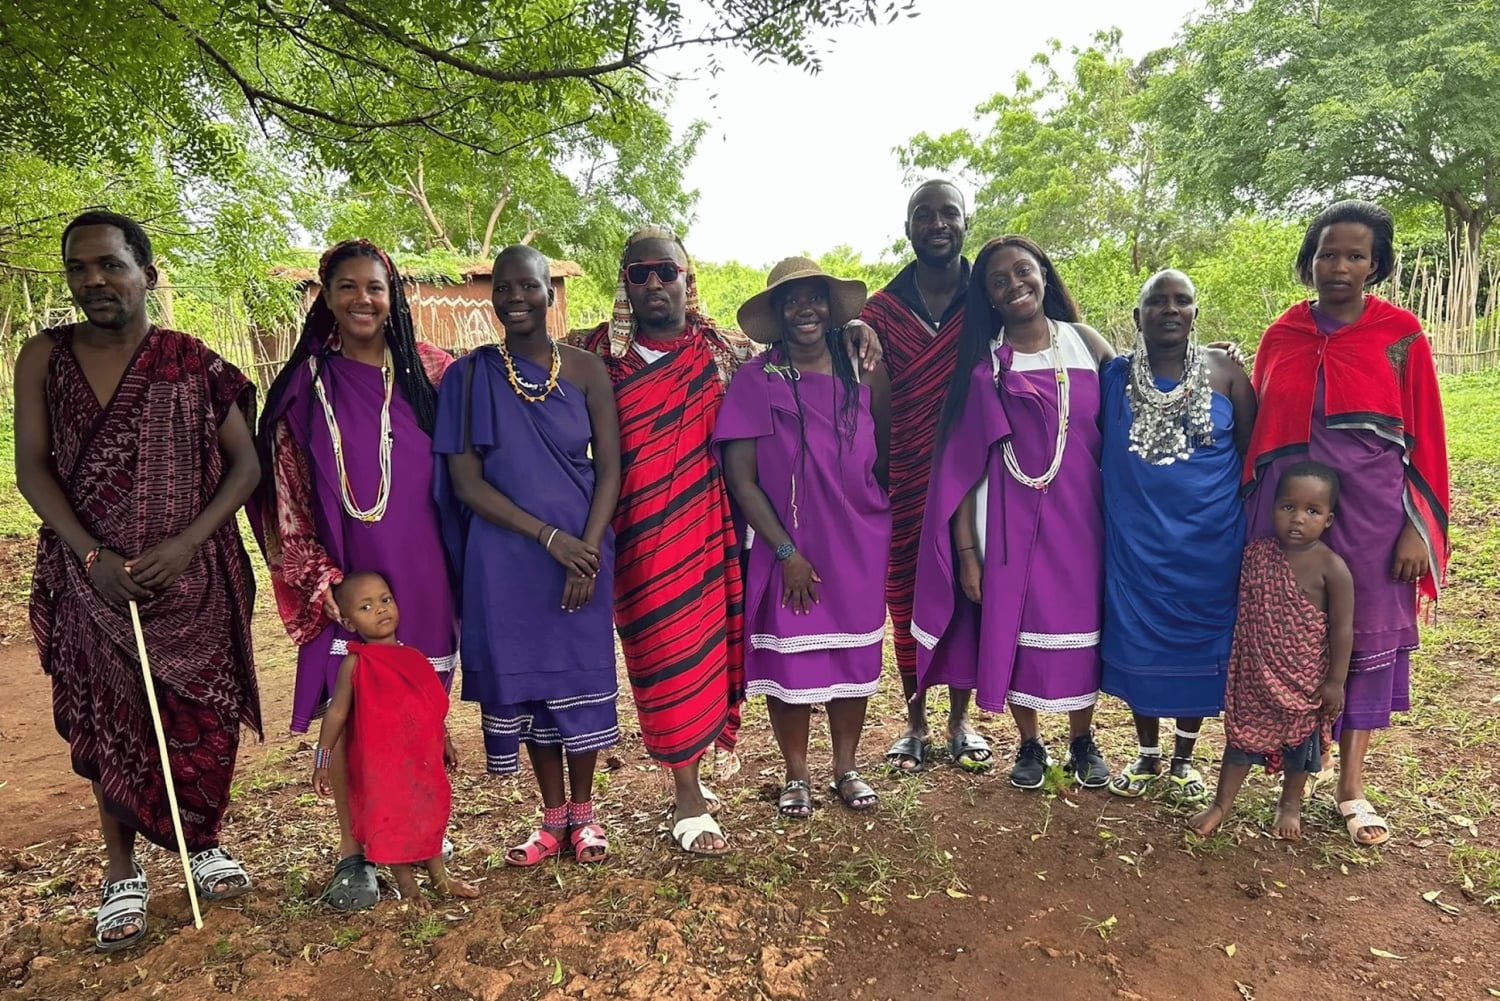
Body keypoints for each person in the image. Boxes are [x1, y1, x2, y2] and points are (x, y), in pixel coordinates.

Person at [582, 227, 881, 854]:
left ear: (688, 281)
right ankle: (685, 793)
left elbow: (803, 353)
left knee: (712, 655)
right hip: (640, 533)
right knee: (661, 652)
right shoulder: (595, 359)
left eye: (668, 272)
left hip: (709, 533)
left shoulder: (720, 352)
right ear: (624, 284)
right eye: (641, 274)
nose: (656, 284)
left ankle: (708, 781)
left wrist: (855, 331)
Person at [15, 210, 262, 951]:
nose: (94, 280)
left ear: (146, 274)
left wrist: (189, 543)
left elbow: (246, 465)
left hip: (191, 581)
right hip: (93, 580)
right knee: (111, 723)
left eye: (110, 265)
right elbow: (32, 467)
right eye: (79, 268)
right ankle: (121, 871)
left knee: (203, 721)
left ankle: (201, 840)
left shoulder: (193, 362)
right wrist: (92, 556)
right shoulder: (44, 358)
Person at [252, 239, 456, 910]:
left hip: (423, 577)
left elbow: (465, 472)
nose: (362, 299)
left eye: (375, 286)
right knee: (351, 714)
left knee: (412, 715)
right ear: (325, 295)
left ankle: (416, 831)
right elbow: (282, 489)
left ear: (393, 295)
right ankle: (352, 851)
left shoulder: (433, 372)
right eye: (347, 286)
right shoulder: (306, 386)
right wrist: (319, 578)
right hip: (347, 582)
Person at [1242, 201, 1449, 846]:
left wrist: (1416, 528)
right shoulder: (1282, 334)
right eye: (1329, 254)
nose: (1340, 267)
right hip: (1292, 514)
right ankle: (1296, 760)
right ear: (1311, 259)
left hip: (1375, 516)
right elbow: (1260, 429)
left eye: (1356, 255)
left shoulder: (1401, 336)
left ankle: (1351, 785)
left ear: (1376, 263)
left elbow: (1426, 438)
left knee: (1362, 641)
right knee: (1293, 635)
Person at [435, 245, 621, 865]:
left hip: (583, 551)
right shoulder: (468, 376)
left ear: (550, 292)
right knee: (534, 688)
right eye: (503, 288)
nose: (514, 297)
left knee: (578, 675)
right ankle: (551, 819)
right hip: (507, 556)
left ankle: (587, 816)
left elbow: (612, 470)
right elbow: (466, 482)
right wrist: (549, 539)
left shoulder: (589, 370)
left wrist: (586, 550)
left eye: (528, 286)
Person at [912, 235, 1115, 790]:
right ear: (989, 297)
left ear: (1044, 274)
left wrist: (1209, 359)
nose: (1014, 285)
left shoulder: (1087, 345)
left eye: (1023, 272)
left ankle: (1082, 740)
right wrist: (966, 554)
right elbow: (961, 468)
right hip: (1004, 524)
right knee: (1016, 628)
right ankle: (1030, 744)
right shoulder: (985, 366)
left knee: (1081, 628)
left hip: (1083, 520)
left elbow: (1135, 410)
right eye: (998, 281)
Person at [714, 257, 892, 818]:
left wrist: (865, 519)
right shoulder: (754, 381)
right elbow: (741, 480)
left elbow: (882, 452)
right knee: (790, 665)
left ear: (829, 306)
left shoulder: (864, 370)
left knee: (853, 660)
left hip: (858, 542)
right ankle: (796, 776)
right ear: (777, 313)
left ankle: (846, 768)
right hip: (785, 548)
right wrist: (786, 551)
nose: (804, 310)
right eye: (791, 301)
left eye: (813, 297)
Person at [1101, 270, 1257, 804]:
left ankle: (1185, 758)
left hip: (1210, 546)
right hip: (1136, 546)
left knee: (1199, 652)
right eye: (1157, 301)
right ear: (1137, 316)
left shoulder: (1228, 374)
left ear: (1195, 312)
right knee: (1142, 651)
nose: (1170, 309)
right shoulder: (1114, 377)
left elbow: (1249, 451)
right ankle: (1146, 755)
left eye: (1182, 301)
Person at [859, 180, 993, 773]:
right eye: (924, 215)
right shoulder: (880, 312)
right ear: (907, 229)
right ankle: (914, 719)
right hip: (902, 473)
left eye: (950, 214)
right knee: (905, 592)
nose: (938, 224)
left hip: (979, 474)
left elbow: (1055, 337)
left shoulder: (988, 298)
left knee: (969, 590)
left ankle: (960, 719)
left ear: (966, 224)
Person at [1189, 462, 1353, 840]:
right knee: (1241, 740)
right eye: (1288, 507)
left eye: (1312, 511)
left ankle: (1289, 804)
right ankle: (1221, 804)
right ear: (1273, 508)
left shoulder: (1333, 568)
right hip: (1254, 674)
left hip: (1305, 679)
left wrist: (1335, 682)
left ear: (1329, 519)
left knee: (1300, 746)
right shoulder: (1257, 554)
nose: (1298, 519)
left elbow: (1343, 630)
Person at [311, 572, 479, 903]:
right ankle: (408, 887)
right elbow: (337, 714)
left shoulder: (414, 658)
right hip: (382, 766)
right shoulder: (355, 664)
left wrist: (445, 740)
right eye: (366, 606)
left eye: (385, 600)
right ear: (346, 620)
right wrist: (323, 758)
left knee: (427, 814)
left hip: (420, 760)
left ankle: (441, 880)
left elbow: (430, 706)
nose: (380, 610)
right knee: (393, 819)